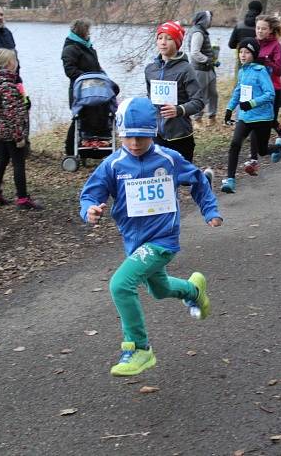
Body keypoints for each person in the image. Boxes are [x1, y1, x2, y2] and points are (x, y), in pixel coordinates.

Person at [79, 96, 222, 376]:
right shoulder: (113, 164)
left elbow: (198, 180)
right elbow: (90, 193)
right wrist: (90, 210)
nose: (134, 144)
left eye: (141, 138)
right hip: (135, 242)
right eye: (128, 137)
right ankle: (194, 291)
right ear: (120, 134)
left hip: (163, 239)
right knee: (159, 290)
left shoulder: (168, 159)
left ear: (154, 131)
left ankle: (139, 348)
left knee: (121, 285)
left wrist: (210, 210)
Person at [220, 38, 281, 193]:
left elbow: (270, 94)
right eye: (240, 52)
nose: (242, 55)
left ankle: (277, 148)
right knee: (235, 144)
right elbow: (238, 91)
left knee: (262, 151)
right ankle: (230, 180)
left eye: (246, 52)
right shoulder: (242, 72)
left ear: (254, 54)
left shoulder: (261, 72)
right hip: (245, 117)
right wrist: (229, 109)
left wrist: (252, 103)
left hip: (262, 118)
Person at [0, 49, 40, 210]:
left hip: (0, 130)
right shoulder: (8, 86)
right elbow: (13, 115)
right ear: (9, 64)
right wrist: (19, 137)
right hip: (11, 132)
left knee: (1, 160)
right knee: (18, 163)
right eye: (15, 61)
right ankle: (23, 198)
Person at [144, 21, 204, 162]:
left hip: (180, 135)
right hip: (157, 135)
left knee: (184, 178)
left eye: (169, 38)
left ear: (177, 43)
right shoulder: (150, 69)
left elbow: (199, 101)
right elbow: (149, 99)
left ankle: (204, 178)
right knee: (162, 177)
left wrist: (179, 110)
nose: (163, 42)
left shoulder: (186, 69)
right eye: (160, 38)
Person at [61, 18, 114, 156]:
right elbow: (70, 71)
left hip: (95, 89)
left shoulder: (87, 46)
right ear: (82, 32)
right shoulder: (70, 48)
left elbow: (96, 66)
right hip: (80, 91)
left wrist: (103, 77)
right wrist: (89, 78)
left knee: (99, 116)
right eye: (88, 31)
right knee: (79, 119)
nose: (89, 34)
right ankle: (70, 150)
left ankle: (98, 146)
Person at [254, 14, 281, 148]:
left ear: (271, 30)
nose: (260, 31)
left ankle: (280, 131)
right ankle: (257, 149)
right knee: (255, 117)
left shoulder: (276, 45)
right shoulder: (253, 43)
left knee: (270, 118)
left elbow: (279, 70)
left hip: (273, 87)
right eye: (258, 28)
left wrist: (266, 61)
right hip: (257, 87)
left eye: (263, 29)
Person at [187, 10, 219, 127]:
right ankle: (197, 120)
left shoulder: (202, 32)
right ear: (205, 20)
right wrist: (207, 59)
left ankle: (212, 117)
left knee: (213, 94)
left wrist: (212, 59)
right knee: (201, 95)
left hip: (208, 69)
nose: (211, 21)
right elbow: (194, 53)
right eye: (210, 19)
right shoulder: (198, 33)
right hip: (200, 70)